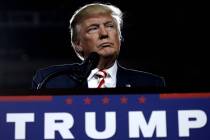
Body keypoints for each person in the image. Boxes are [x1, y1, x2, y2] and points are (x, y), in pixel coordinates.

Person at [32, 3, 165, 89]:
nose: (104, 33)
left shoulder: (150, 84)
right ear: (78, 44)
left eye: (110, 26)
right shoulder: (51, 80)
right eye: (93, 28)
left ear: (119, 36)